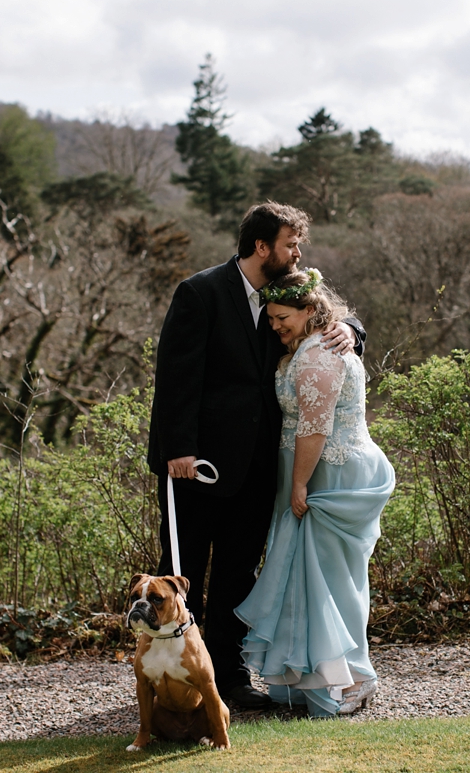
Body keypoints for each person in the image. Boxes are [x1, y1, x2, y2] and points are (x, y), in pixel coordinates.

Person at [146, 202, 365, 709]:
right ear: (262, 246)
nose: (297, 254)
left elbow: (331, 311)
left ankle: (227, 676)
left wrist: (351, 330)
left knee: (238, 574)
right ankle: (170, 679)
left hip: (257, 469)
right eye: (291, 244)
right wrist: (179, 449)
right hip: (196, 469)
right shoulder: (199, 292)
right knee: (181, 573)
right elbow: (176, 377)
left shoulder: (284, 293)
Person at [234, 269, 394, 717]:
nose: (274, 325)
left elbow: (315, 427)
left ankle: (356, 678)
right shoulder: (307, 345)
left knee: (332, 580)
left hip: (329, 472)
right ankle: (312, 678)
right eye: (270, 318)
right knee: (307, 576)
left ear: (310, 311)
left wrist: (300, 483)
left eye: (281, 317)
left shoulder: (319, 353)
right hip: (313, 469)